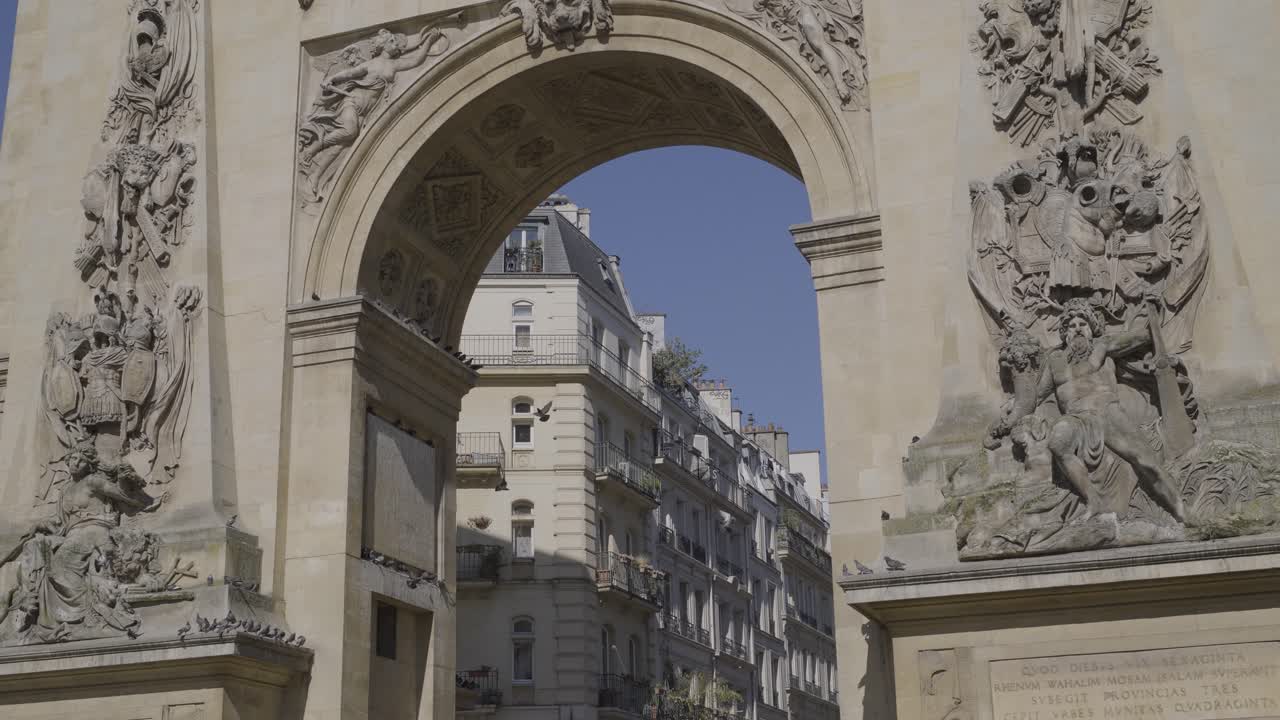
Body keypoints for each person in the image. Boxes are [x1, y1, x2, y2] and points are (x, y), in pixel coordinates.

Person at [1001, 297, 1186, 522]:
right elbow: (1038, 394)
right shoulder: (1056, 359)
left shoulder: (1104, 346)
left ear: (1091, 328)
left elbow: (1145, 336)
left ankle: (1181, 509)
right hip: (1076, 417)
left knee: (1144, 458)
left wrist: (1158, 312)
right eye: (1071, 325)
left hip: (1106, 411)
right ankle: (1094, 501)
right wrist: (1012, 407)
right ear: (1064, 333)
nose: (1077, 329)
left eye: (1082, 324)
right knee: (1058, 441)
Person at [298, 27, 449, 199]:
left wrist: (429, 41)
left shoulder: (394, 64)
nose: (395, 44)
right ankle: (313, 149)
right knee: (349, 132)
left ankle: (314, 177)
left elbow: (416, 60)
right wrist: (332, 79)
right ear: (383, 45)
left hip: (366, 113)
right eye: (392, 41)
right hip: (352, 102)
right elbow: (350, 73)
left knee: (343, 145)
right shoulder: (371, 63)